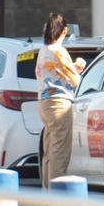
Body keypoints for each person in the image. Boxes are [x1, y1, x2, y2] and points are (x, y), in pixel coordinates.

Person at [36, 13, 83, 187]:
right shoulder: (59, 51)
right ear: (64, 31)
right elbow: (75, 80)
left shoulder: (43, 50)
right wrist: (78, 67)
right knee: (60, 152)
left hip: (44, 102)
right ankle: (58, 198)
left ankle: (48, 196)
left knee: (49, 151)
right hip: (59, 103)